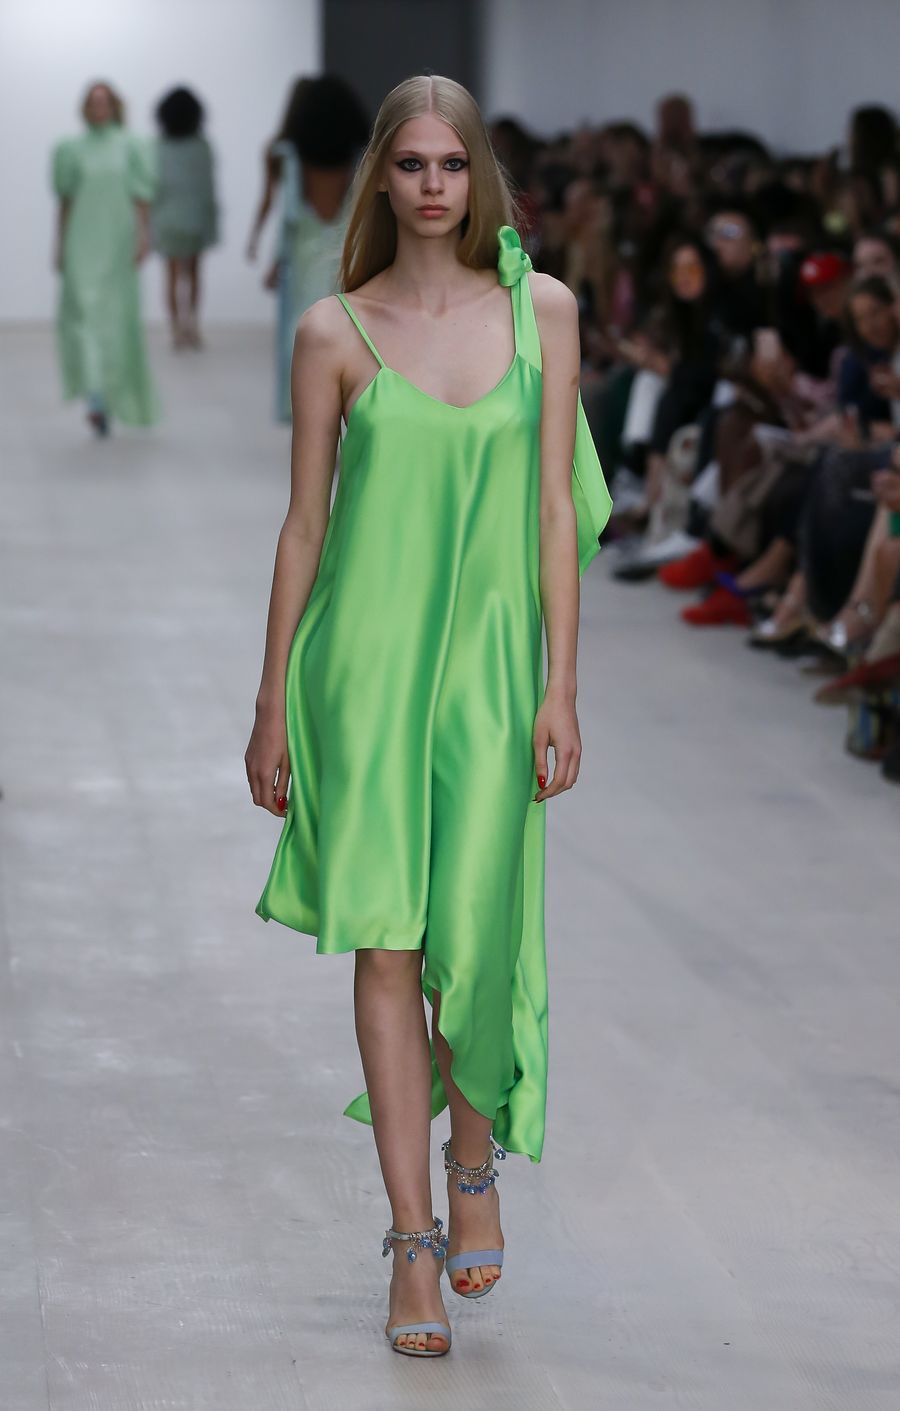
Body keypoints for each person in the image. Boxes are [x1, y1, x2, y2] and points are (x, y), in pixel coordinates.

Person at [244, 73, 612, 1359]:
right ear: (382, 179)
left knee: (480, 930)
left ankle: (473, 1154)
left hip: (496, 670)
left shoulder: (542, 311)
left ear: (480, 176)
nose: (434, 185)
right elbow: (304, 526)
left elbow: (557, 508)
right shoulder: (332, 332)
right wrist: (272, 704)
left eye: (454, 164)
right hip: (366, 671)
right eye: (411, 164)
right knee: (390, 942)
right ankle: (411, 1239)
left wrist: (562, 682)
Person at [247, 75, 369, 421]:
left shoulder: (286, 158)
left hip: (302, 263)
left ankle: (310, 413)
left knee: (301, 334)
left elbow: (287, 221)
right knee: (351, 333)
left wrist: (265, 253)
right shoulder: (360, 162)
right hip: (348, 256)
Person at [51, 81, 158, 435]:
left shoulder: (131, 146)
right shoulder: (70, 149)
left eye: (104, 101)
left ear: (114, 106)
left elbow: (142, 197)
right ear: (85, 107)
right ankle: (95, 397)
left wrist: (144, 237)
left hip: (117, 242)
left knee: (115, 321)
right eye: (93, 102)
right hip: (81, 241)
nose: (98, 108)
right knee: (82, 318)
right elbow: (65, 201)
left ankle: (113, 396)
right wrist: (59, 244)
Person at [151, 86, 218, 349]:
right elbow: (207, 189)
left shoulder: (158, 147)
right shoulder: (202, 147)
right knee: (194, 275)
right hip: (196, 219)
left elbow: (154, 187)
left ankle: (177, 329)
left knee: (171, 275)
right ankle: (192, 326)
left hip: (167, 219)